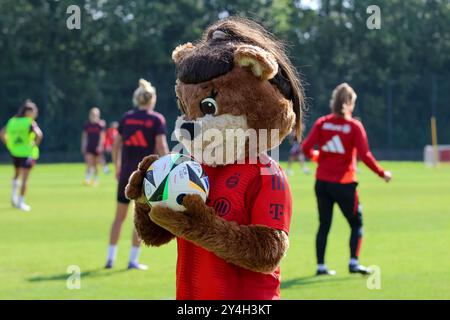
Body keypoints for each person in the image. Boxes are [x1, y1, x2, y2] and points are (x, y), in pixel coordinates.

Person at [302, 83, 392, 276]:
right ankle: (353, 262)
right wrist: (382, 173)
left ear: (334, 101)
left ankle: (321, 266)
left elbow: (306, 148)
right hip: (344, 184)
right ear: (350, 103)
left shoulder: (322, 122)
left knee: (324, 224)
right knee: (356, 224)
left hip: (322, 183)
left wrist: (319, 157)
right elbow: (365, 155)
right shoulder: (353, 126)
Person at [106, 79, 169, 270]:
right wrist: (168, 167)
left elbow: (116, 144)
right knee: (140, 218)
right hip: (145, 177)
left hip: (125, 174)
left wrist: (116, 165)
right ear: (152, 99)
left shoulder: (126, 118)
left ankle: (110, 259)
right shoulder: (156, 119)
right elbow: (161, 146)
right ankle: (132, 260)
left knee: (119, 217)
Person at [0, 99, 43, 211]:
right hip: (27, 153)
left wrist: (9, 145)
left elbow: (2, 133)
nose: (36, 113)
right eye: (34, 111)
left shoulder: (12, 121)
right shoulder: (29, 122)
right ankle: (21, 202)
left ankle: (13, 198)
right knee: (25, 178)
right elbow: (39, 134)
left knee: (16, 175)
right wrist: (35, 145)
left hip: (15, 152)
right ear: (28, 112)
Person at [81, 107, 105, 186]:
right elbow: (84, 136)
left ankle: (96, 180)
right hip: (89, 146)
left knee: (96, 165)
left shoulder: (100, 125)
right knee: (89, 163)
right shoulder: (87, 125)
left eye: (96, 114)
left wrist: (100, 146)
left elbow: (102, 136)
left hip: (97, 147)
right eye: (93, 114)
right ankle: (87, 179)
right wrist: (83, 145)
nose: (94, 116)